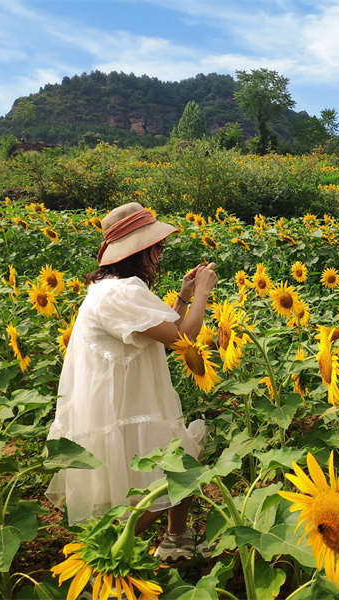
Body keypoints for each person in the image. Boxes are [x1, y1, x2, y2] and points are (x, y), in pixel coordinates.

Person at [45, 202, 218, 562]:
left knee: (182, 458)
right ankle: (102, 556)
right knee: (179, 470)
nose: (159, 256)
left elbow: (159, 328)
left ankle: (175, 538)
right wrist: (203, 292)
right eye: (157, 249)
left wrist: (183, 297)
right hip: (127, 403)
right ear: (141, 251)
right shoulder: (124, 293)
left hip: (119, 400)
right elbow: (182, 339)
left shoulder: (109, 288)